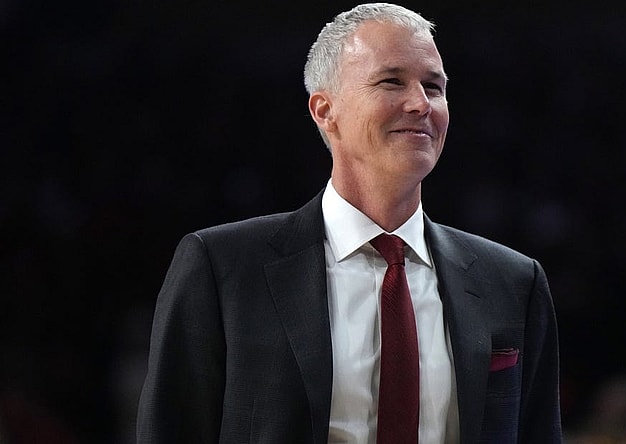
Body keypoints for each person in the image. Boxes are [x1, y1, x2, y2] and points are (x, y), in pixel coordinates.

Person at [136, 3, 561, 443]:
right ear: (325, 111)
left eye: (433, 87)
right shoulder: (222, 268)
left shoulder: (513, 282)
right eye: (392, 81)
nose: (420, 103)